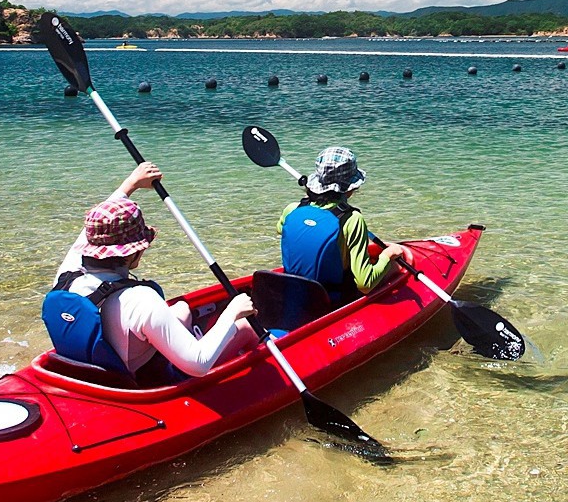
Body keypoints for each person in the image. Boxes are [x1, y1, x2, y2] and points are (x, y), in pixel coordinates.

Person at [47, 162, 257, 384]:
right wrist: (232, 312)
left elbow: (91, 231)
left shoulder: (67, 275)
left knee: (182, 310)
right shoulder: (139, 301)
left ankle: (189, 341)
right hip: (148, 381)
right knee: (244, 327)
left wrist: (131, 184)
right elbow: (199, 364)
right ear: (131, 254)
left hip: (101, 367)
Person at [276, 147, 408, 305]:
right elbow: (364, 284)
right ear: (352, 187)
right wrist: (388, 255)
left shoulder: (292, 209)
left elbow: (282, 229)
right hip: (330, 299)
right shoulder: (352, 219)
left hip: (293, 291)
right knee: (394, 267)